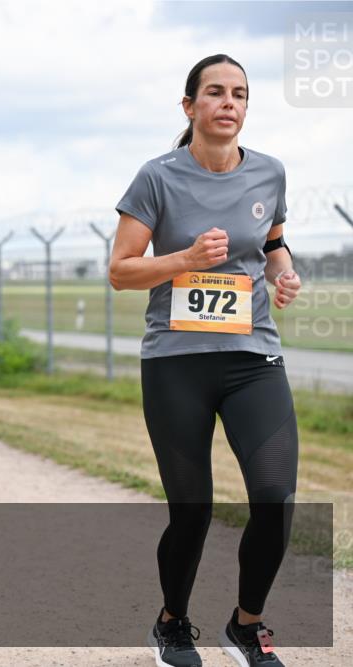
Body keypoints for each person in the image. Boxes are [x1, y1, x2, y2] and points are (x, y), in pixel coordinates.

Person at [111, 55, 301, 667]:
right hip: (176, 362)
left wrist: (284, 270)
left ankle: (247, 626)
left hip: (253, 358)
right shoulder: (157, 177)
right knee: (192, 509)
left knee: (274, 497)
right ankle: (172, 622)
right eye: (215, 92)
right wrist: (185, 258)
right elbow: (120, 271)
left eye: (239, 93)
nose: (229, 102)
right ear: (190, 107)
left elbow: (271, 241)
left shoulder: (269, 173)